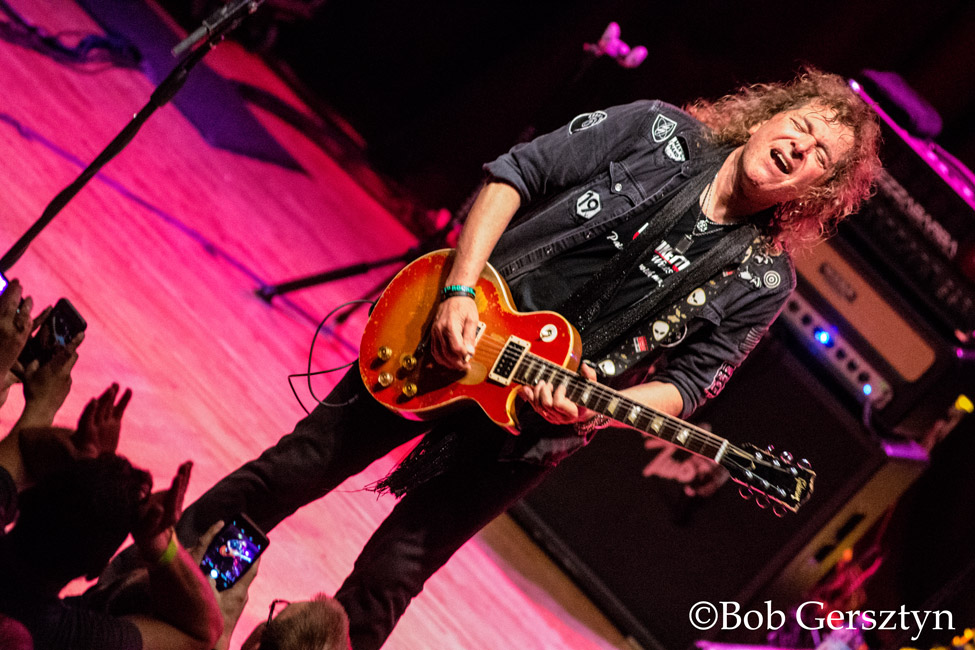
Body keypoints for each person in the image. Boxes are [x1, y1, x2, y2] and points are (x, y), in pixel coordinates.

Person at [167, 67, 881, 649]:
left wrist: (596, 410)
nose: (800, 146)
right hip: (446, 336)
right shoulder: (656, 129)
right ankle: (175, 601)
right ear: (764, 117)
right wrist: (457, 290)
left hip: (529, 426)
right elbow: (515, 175)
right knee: (294, 472)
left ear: (813, 193)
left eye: (821, 156)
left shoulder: (760, 278)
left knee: (394, 573)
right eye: (801, 126)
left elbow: (688, 385)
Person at [0, 455, 222, 650]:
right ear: (96, 570)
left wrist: (82, 455)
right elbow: (201, 633)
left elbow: (24, 443)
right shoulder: (71, 638)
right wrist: (159, 543)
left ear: (27, 497)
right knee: (138, 591)